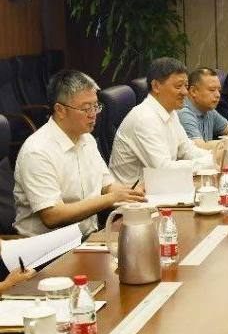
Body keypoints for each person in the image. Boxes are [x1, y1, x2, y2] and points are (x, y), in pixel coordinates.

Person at [13, 70, 145, 237]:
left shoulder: (86, 138)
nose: (93, 114)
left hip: (87, 236)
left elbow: (106, 186)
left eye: (96, 106)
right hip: (48, 247)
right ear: (60, 110)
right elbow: (52, 216)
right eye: (86, 108)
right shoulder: (37, 151)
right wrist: (111, 198)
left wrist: (132, 194)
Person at [110, 57, 216, 184]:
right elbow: (164, 169)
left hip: (159, 188)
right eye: (178, 86)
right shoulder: (144, 119)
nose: (185, 92)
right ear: (156, 86)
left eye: (186, 86)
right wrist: (213, 161)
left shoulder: (171, 112)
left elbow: (187, 150)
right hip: (132, 194)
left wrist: (215, 156)